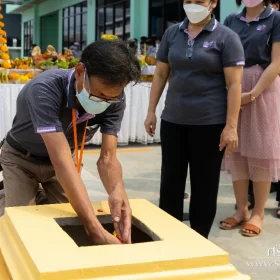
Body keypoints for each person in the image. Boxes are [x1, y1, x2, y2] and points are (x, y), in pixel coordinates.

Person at [0, 39, 141, 245]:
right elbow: (61, 160)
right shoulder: (45, 88)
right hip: (21, 159)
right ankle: (8, 195)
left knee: (68, 220)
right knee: (22, 223)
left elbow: (108, 157)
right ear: (80, 71)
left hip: (65, 158)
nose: (104, 102)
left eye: (111, 98)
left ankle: (37, 195)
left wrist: (117, 190)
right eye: (99, 94)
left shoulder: (114, 98)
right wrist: (94, 229)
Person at [144, 0, 245, 239]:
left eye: (199, 1)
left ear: (213, 3)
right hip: (173, 121)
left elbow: (234, 85)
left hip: (210, 124)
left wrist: (231, 126)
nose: (192, 5)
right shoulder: (172, 33)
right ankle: (169, 238)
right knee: (170, 183)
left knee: (204, 185)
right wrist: (151, 111)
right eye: (188, 1)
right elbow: (160, 74)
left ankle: (199, 240)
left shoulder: (227, 38)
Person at [220, 0, 280, 236]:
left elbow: (277, 63)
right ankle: (241, 210)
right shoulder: (231, 21)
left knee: (261, 151)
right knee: (237, 149)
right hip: (234, 87)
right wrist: (231, 92)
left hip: (263, 89)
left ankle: (258, 212)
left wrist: (253, 93)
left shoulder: (275, 18)